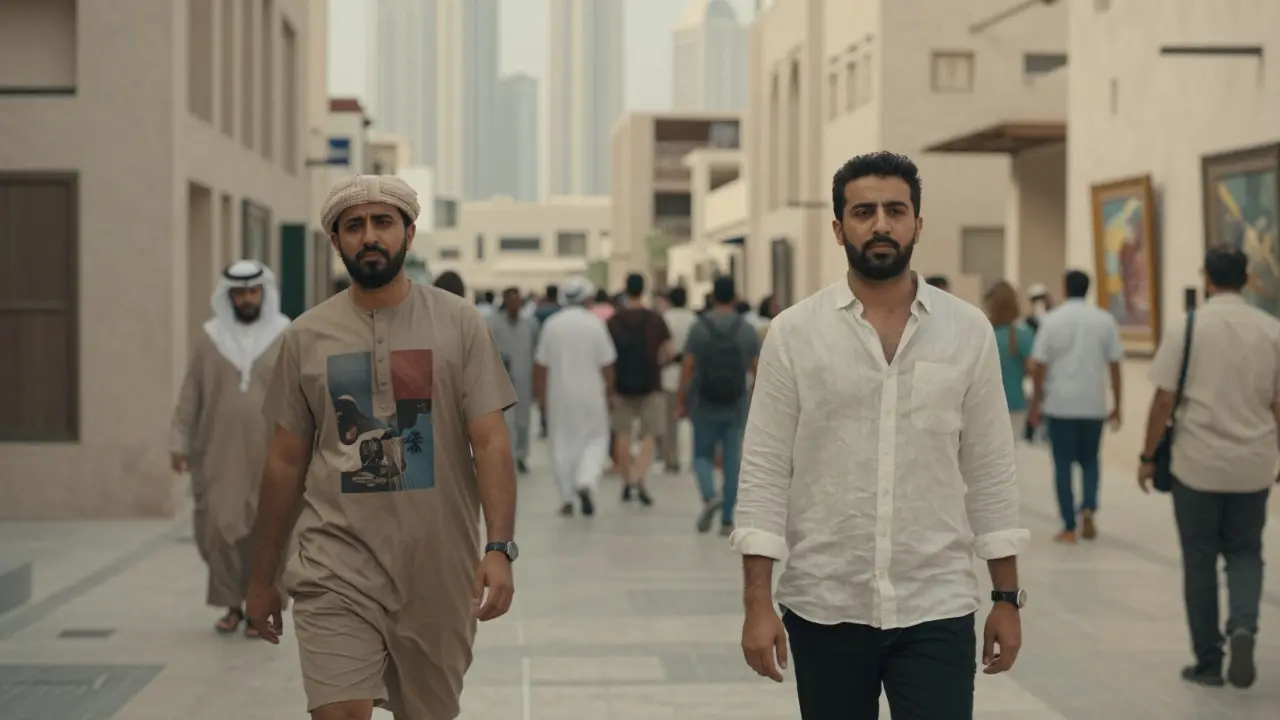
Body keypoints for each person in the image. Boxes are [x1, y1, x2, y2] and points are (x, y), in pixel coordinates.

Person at [734, 152, 1028, 720]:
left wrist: (1006, 597)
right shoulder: (794, 334)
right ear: (840, 228)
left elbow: (991, 469)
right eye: (863, 211)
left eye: (896, 210)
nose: (881, 224)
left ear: (918, 223)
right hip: (825, 603)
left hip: (936, 602)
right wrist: (757, 603)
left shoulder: (967, 332)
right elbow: (765, 471)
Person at [245, 175, 519, 720]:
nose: (369, 236)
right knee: (339, 711)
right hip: (334, 563)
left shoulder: (460, 323)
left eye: (383, 222)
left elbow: (490, 443)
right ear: (337, 242)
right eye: (354, 226)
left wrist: (499, 548)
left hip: (437, 569)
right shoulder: (305, 337)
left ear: (409, 234)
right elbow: (284, 463)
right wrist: (261, 576)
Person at [1138, 247, 1280, 688]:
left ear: (1207, 279)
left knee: (1199, 560)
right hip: (1253, 464)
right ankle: (1243, 625)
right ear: (1247, 279)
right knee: (1244, 551)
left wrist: (1146, 458)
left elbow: (1164, 399)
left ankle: (1208, 661)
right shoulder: (1272, 330)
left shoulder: (1188, 327)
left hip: (1196, 465)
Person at [170, 259, 290, 636]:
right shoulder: (210, 339)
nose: (247, 299)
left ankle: (260, 609)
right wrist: (179, 441)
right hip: (219, 454)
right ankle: (231, 605)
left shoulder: (285, 335)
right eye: (239, 293)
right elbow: (191, 394)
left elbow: (303, 394)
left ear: (263, 293)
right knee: (219, 530)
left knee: (267, 530)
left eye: (253, 291)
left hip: (272, 453)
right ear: (229, 296)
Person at [1028, 269, 1123, 543]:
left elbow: (1039, 366)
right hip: (1093, 405)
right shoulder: (1105, 320)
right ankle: (1089, 508)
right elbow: (1115, 365)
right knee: (1091, 461)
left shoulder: (1052, 321)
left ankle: (1069, 526)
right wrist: (1118, 404)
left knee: (1063, 465)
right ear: (1089, 288)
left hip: (1059, 405)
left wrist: (1036, 403)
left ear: (1064, 287)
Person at [676, 276, 759, 535]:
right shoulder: (746, 329)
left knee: (702, 454)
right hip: (735, 402)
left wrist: (683, 398)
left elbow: (688, 365)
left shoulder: (699, 327)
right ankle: (726, 519)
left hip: (704, 401)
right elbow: (758, 369)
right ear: (735, 298)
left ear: (712, 297)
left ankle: (710, 496)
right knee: (732, 458)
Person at [534, 277, 618, 517]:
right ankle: (586, 482)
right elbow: (607, 363)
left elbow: (540, 365)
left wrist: (540, 397)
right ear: (588, 299)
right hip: (592, 393)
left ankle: (567, 498)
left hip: (559, 395)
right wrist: (610, 391)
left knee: (561, 443)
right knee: (595, 439)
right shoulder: (595, 324)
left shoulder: (552, 325)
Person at [607, 273, 673, 505]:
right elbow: (669, 352)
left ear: (625, 289)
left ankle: (627, 480)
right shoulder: (655, 319)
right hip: (651, 384)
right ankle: (638, 476)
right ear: (643, 289)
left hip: (622, 385)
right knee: (649, 434)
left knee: (622, 433)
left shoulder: (614, 321)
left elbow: (607, 356)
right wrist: (660, 363)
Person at [487, 287, 539, 474]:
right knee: (505, 421)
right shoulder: (493, 323)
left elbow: (535, 351)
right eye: (512, 301)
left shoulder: (530, 324)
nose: (515, 305)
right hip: (502, 378)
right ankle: (507, 456)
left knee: (523, 420)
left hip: (524, 376)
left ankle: (522, 456)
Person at [984, 281, 1036, 435]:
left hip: (985, 405)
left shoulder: (983, 332)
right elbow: (1032, 370)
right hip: (1015, 403)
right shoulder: (1023, 334)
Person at [660, 286, 698, 473]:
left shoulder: (664, 318)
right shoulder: (693, 319)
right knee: (694, 420)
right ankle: (695, 459)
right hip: (691, 375)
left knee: (669, 422)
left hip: (668, 374)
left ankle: (671, 459)